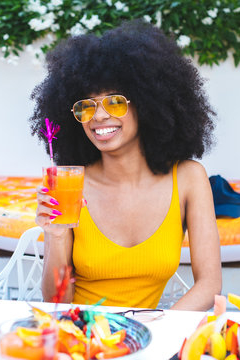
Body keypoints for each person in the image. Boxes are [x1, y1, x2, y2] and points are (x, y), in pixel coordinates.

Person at [30, 19, 222, 310]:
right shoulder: (69, 185)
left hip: (146, 341)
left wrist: (154, 332)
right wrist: (55, 235)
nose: (99, 116)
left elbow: (209, 284)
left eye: (115, 102)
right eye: (87, 105)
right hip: (78, 339)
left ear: (146, 104)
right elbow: (55, 301)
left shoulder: (188, 178)